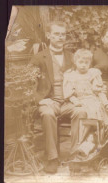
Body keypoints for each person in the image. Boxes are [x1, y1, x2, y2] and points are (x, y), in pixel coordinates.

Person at [30, 21, 75, 173]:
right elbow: (29, 84)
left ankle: (78, 156)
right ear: (48, 35)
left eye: (63, 34)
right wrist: (41, 100)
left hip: (69, 101)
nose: (60, 37)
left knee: (82, 111)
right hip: (49, 101)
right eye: (56, 34)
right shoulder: (38, 58)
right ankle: (52, 158)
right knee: (48, 114)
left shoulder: (72, 57)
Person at [62, 49, 108, 160]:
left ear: (90, 63)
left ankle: (102, 150)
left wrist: (107, 104)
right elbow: (70, 94)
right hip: (82, 103)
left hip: (96, 104)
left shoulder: (93, 74)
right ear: (75, 62)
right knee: (87, 125)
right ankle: (84, 150)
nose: (83, 65)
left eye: (86, 63)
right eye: (81, 62)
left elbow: (100, 93)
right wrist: (76, 102)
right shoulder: (71, 76)